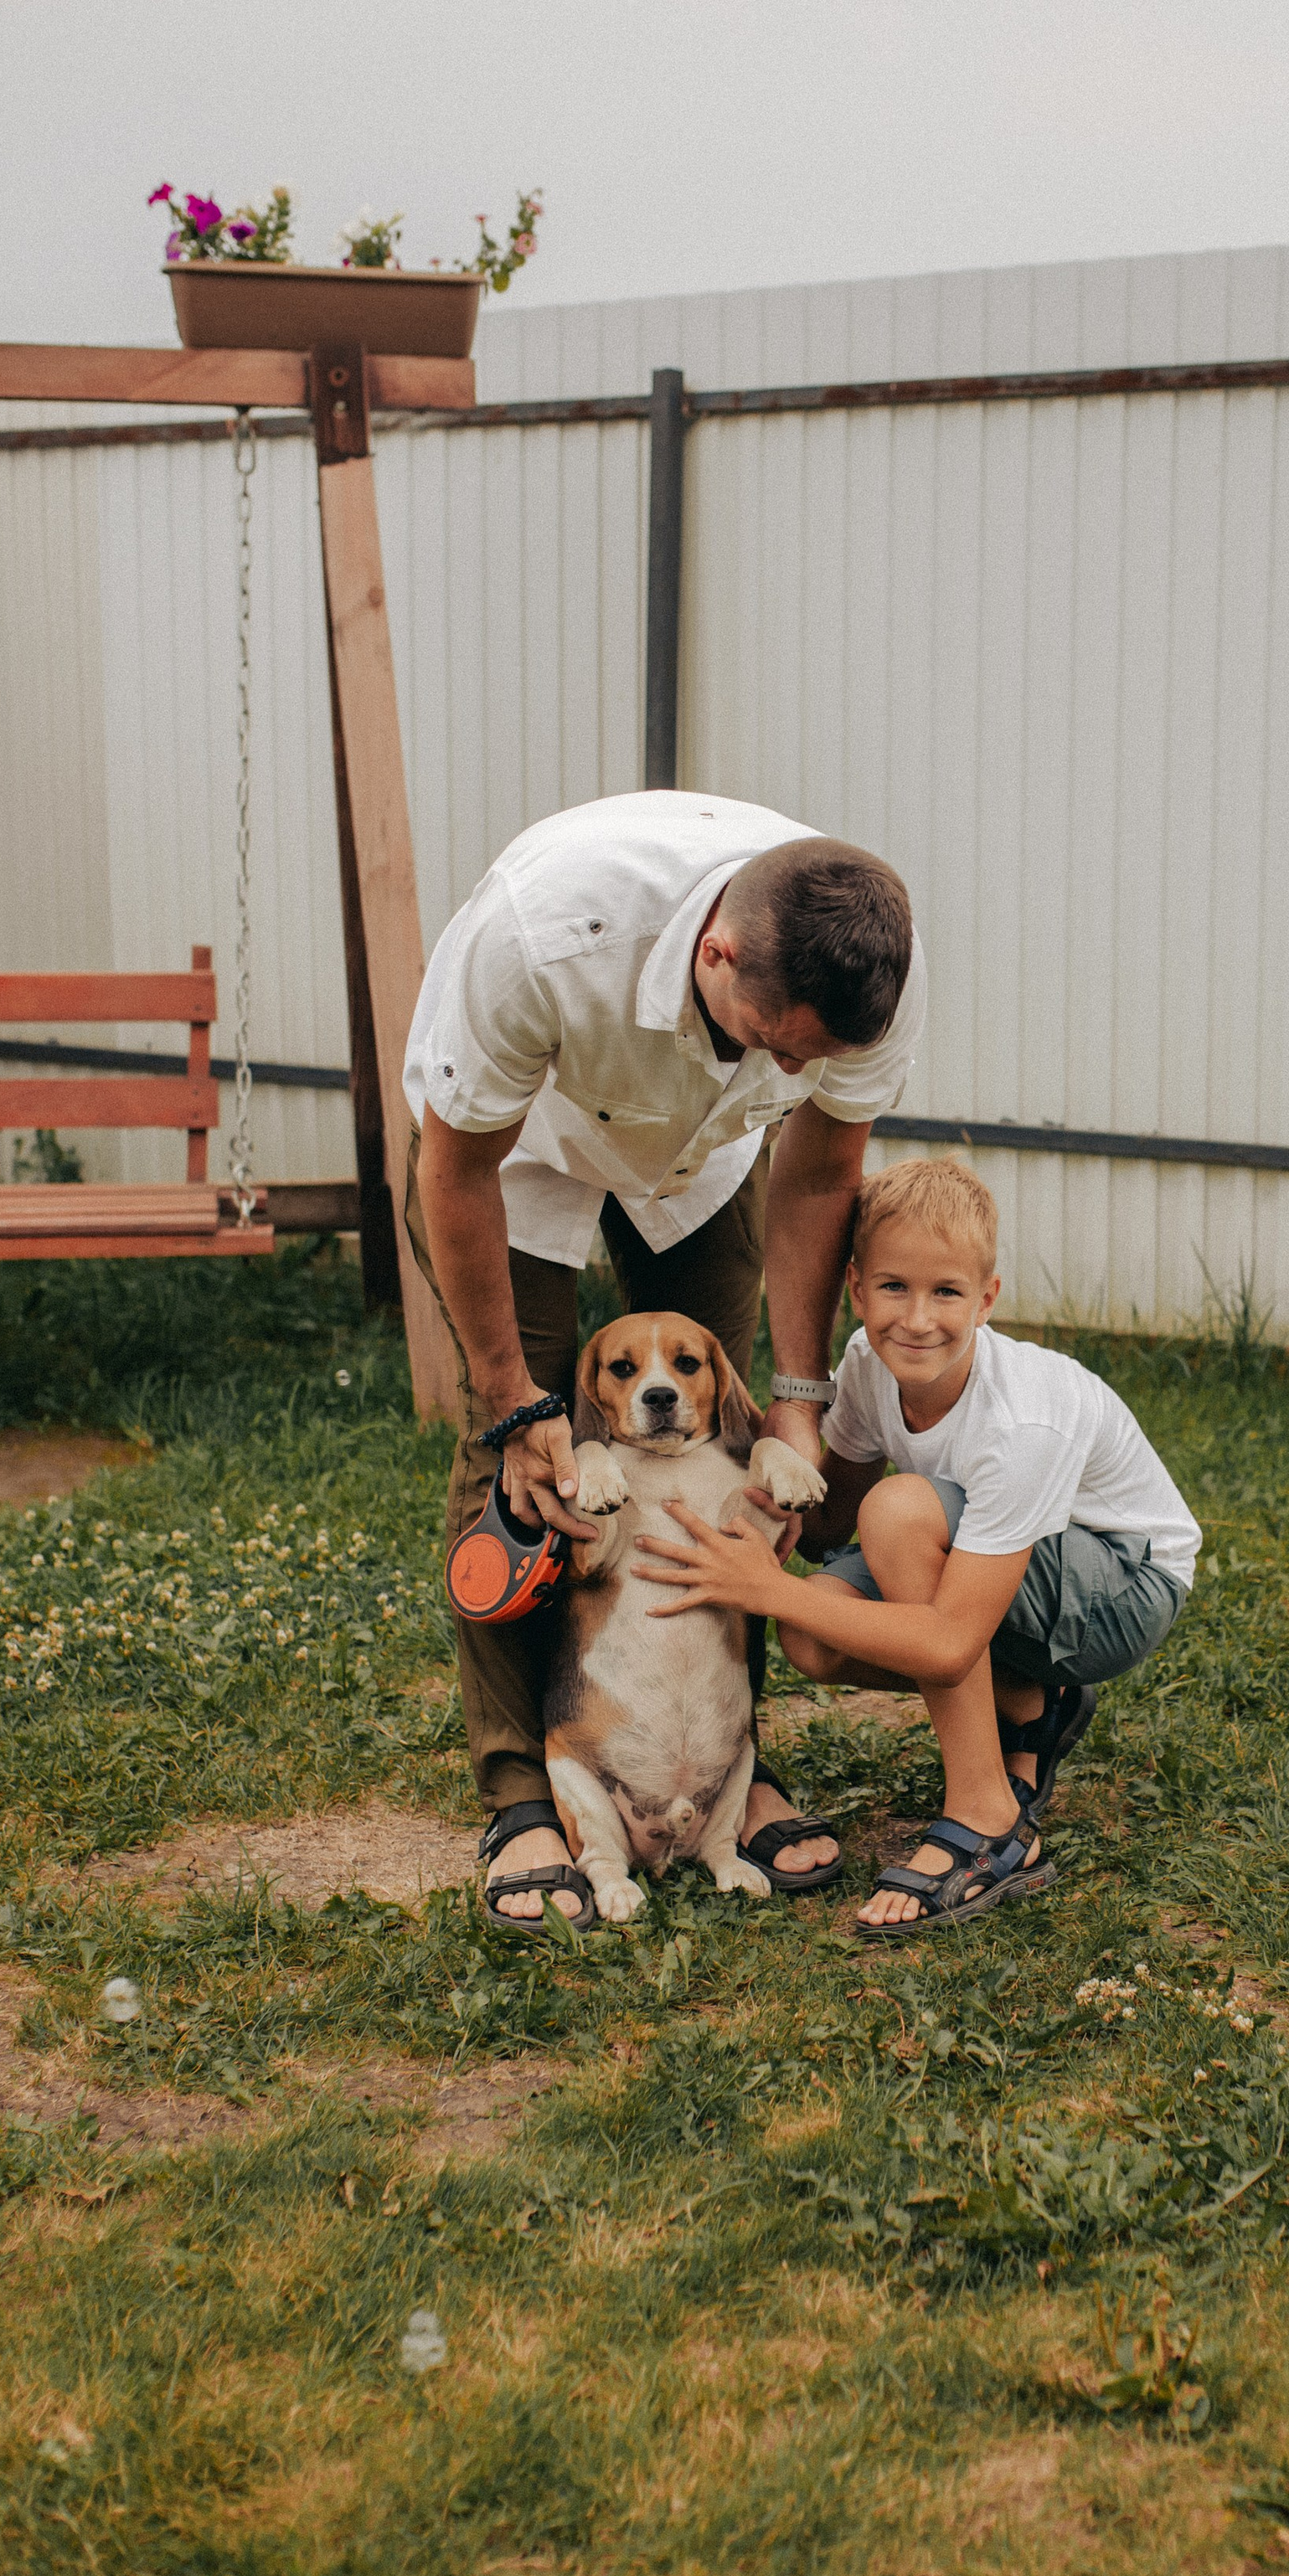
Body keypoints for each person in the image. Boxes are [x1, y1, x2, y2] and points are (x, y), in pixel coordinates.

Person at [402, 791, 924, 1932]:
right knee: (525, 1463)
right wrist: (509, 1397)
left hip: (704, 1158)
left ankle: (723, 1765)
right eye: (773, 1041)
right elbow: (455, 1174)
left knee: (726, 1448)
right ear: (716, 949)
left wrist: (797, 1396)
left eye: (809, 1060)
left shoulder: (865, 980)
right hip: (518, 1147)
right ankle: (521, 1794)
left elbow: (822, 1169)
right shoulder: (541, 943)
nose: (793, 1067)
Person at [633, 1155, 1199, 1936]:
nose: (917, 1318)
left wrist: (763, 1587)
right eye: (894, 1287)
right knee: (811, 1633)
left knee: (898, 1514)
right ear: (857, 1288)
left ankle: (988, 1818)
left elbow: (942, 1643)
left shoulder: (1023, 1419)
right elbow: (829, 1522)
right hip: (1011, 1566)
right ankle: (1026, 1701)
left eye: (947, 1292)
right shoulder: (869, 1366)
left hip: (1123, 1587)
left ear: (987, 1298)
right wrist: (772, 1473)